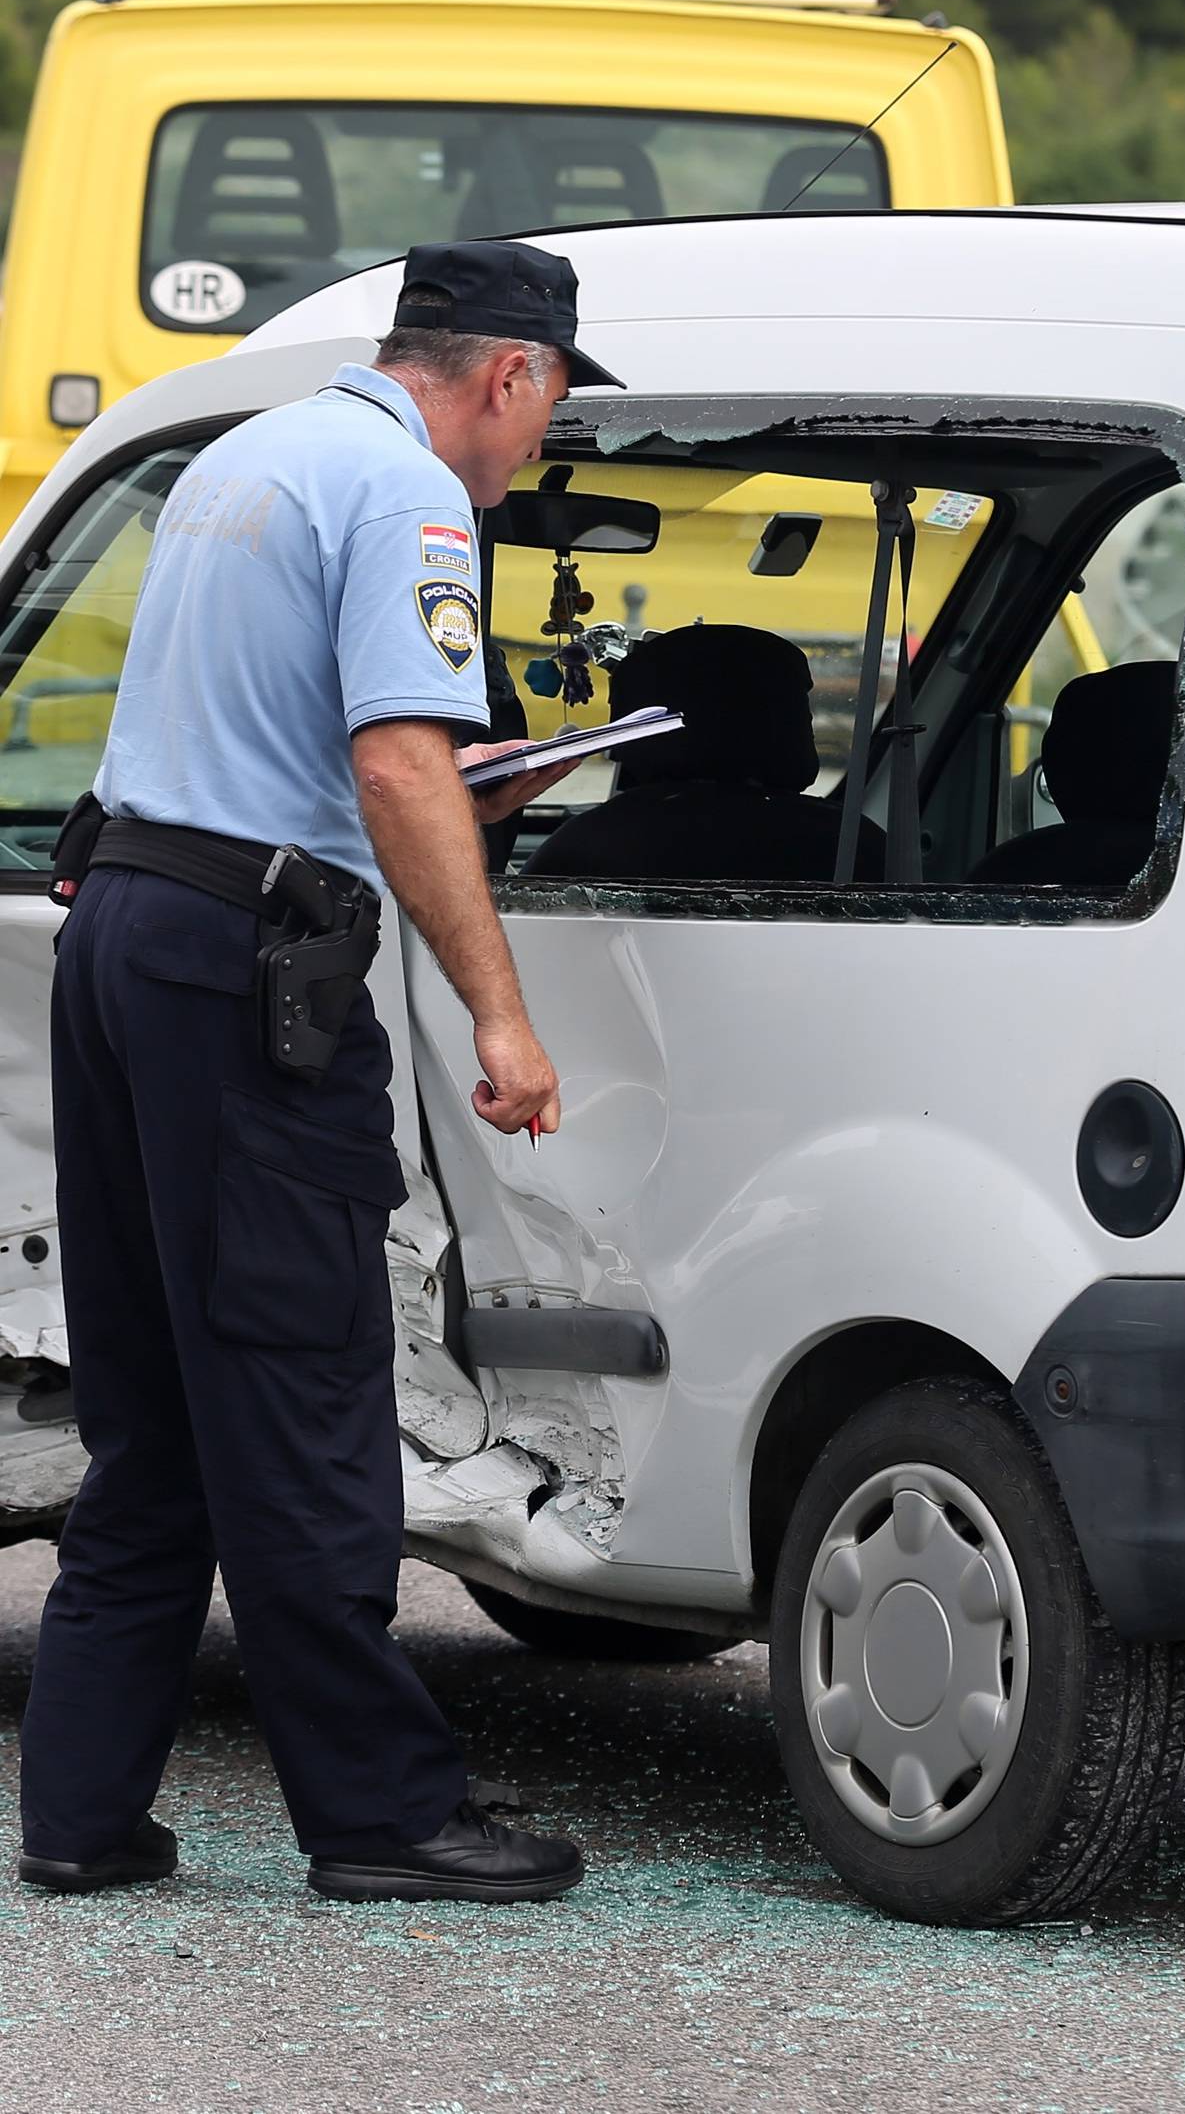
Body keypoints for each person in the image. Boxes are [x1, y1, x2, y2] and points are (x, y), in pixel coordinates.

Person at [16, 239, 615, 1904]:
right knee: (299, 1389)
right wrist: (501, 1015)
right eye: (548, 410)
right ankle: (381, 1816)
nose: (536, 450)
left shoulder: (246, 455)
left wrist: (434, 784)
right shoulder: (412, 494)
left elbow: (305, 740)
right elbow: (391, 757)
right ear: (507, 373)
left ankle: (78, 1810)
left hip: (129, 928)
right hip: (244, 972)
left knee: (152, 1412)